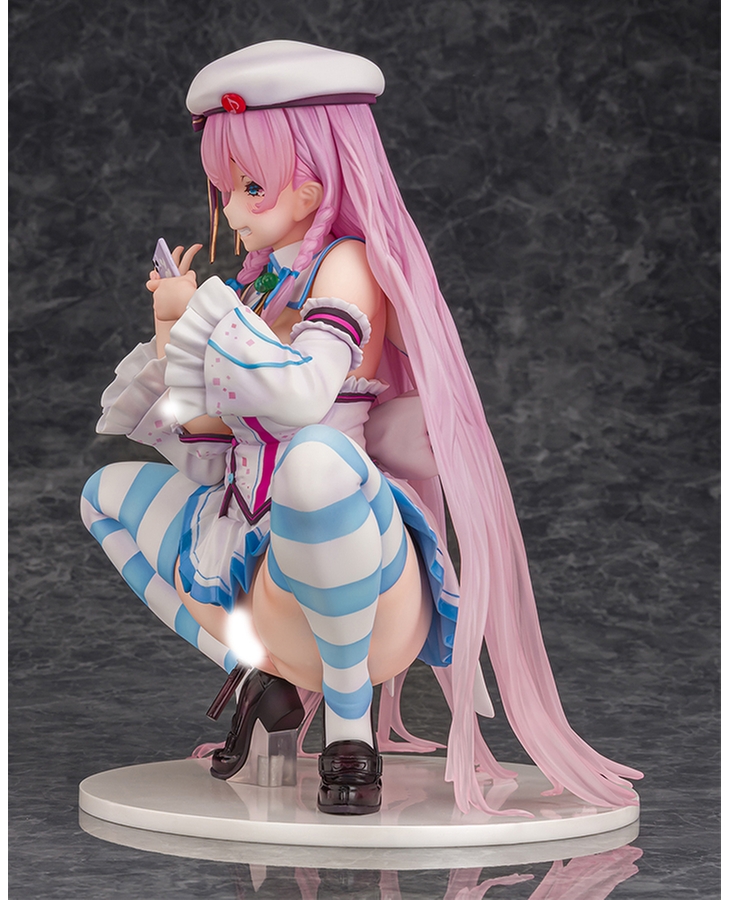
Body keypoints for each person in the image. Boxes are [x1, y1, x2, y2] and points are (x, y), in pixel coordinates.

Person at [81, 40, 641, 816]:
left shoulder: (344, 265)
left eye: (251, 187)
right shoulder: (263, 288)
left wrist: (206, 317)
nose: (232, 212)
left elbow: (307, 395)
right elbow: (208, 452)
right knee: (104, 494)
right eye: (225, 190)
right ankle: (261, 674)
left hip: (351, 546)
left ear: (312, 189)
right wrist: (173, 329)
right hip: (252, 549)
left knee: (312, 460)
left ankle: (351, 731)